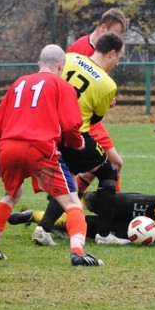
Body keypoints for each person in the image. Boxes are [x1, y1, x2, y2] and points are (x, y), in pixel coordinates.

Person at [0, 44, 103, 266]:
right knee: (72, 201)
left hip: (8, 148)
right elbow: (70, 125)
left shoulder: (17, 83)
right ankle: (78, 252)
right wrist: (78, 143)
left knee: (11, 195)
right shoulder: (62, 85)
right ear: (61, 66)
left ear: (39, 64)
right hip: (39, 149)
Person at [9, 125, 155, 245]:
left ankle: (33, 216)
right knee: (96, 199)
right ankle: (67, 203)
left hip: (153, 230)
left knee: (88, 225)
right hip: (153, 205)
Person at [33, 33, 127, 246]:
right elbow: (94, 119)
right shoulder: (107, 84)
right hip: (75, 137)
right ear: (111, 53)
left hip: (49, 131)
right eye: (118, 57)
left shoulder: (71, 57)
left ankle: (43, 228)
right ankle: (104, 234)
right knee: (109, 171)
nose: (118, 62)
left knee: (68, 176)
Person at [67, 8, 129, 193]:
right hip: (81, 122)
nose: (118, 41)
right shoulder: (80, 50)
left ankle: (72, 201)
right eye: (116, 34)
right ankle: (112, 209)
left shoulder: (102, 52)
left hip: (89, 119)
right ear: (103, 28)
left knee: (104, 166)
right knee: (114, 163)